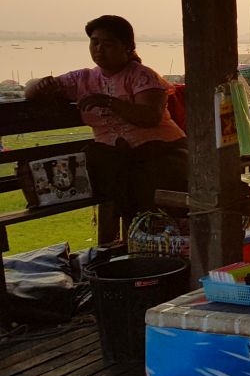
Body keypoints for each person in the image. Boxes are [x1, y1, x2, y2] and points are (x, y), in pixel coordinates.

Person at [24, 15, 188, 230]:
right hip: (116, 157)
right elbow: (31, 90)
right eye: (95, 42)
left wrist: (108, 102)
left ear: (127, 47)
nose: (99, 49)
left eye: (108, 44)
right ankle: (139, 234)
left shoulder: (142, 76)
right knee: (101, 162)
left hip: (161, 150)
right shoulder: (83, 79)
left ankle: (154, 233)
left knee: (150, 176)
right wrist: (39, 83)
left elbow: (150, 117)